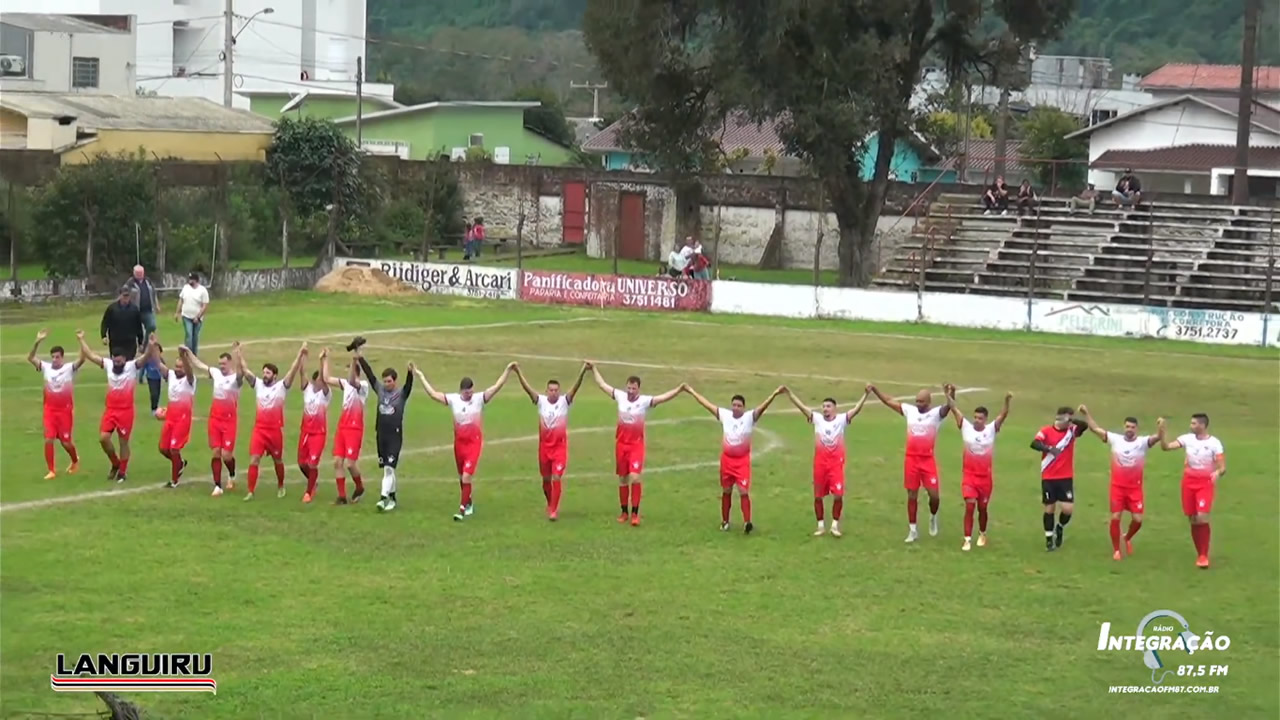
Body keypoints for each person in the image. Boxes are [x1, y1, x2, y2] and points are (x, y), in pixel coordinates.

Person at [415, 362, 516, 522]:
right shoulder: (454, 400)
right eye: (467, 392)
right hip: (459, 445)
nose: (470, 395)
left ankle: (461, 510)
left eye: (472, 391)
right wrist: (420, 376)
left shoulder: (479, 399)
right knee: (462, 477)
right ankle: (468, 502)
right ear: (461, 391)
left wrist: (507, 370)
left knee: (466, 477)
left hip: (473, 444)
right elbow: (434, 394)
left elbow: (497, 386)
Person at [587, 363, 683, 526]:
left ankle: (635, 514)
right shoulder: (620, 396)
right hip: (621, 445)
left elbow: (663, 397)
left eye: (634, 389)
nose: (631, 391)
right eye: (629, 388)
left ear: (639, 389)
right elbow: (602, 385)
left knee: (635, 477)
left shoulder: (645, 401)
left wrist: (679, 390)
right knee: (623, 479)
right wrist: (594, 368)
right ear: (626, 387)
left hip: (636, 446)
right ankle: (624, 512)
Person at [683, 383, 785, 534]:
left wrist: (775, 394)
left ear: (744, 407)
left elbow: (763, 406)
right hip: (727, 461)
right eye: (734, 405)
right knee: (726, 491)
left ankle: (747, 522)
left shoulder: (750, 417)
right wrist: (692, 391)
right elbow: (707, 404)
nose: (736, 408)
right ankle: (725, 521)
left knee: (743, 491)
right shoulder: (725, 415)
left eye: (739, 405)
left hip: (742, 461)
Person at [867, 384, 952, 543]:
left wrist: (950, 393)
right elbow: (889, 401)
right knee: (912, 495)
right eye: (917, 401)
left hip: (927, 460)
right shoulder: (910, 410)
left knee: (934, 496)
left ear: (929, 402)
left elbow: (949, 406)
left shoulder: (936, 414)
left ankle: (933, 516)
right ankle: (913, 530)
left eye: (921, 402)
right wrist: (876, 390)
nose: (918, 404)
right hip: (911, 460)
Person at [782, 386, 870, 538]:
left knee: (838, 495)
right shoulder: (817, 419)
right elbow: (801, 406)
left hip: (836, 465)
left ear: (835, 408)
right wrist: (789, 394)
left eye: (828, 406)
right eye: (823, 406)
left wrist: (865, 395)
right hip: (820, 465)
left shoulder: (842, 420)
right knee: (818, 496)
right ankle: (820, 525)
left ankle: (835, 525)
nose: (825, 409)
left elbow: (856, 409)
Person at [1079, 407, 1164, 561]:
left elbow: (1158, 437)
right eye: (1127, 427)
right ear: (1124, 427)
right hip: (1117, 487)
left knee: (1138, 520)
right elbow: (1094, 429)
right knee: (1115, 517)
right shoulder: (1115, 439)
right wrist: (1086, 414)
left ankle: (1127, 537)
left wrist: (1161, 427)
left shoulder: (1142, 442)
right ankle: (1117, 550)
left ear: (1137, 429)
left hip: (1135, 489)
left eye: (1132, 427)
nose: (1129, 429)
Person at [513, 362, 588, 521]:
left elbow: (576, 387)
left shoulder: (564, 402)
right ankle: (550, 502)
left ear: (559, 391)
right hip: (544, 449)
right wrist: (518, 372)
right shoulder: (540, 401)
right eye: (551, 390)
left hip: (559, 448)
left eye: (556, 390)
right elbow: (528, 390)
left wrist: (582, 371)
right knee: (546, 480)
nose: (553, 393)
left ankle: (554, 510)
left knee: (556, 477)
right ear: (546, 391)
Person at [75, 330, 147, 484]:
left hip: (126, 411)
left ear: (125, 360)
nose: (117, 364)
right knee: (103, 438)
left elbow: (145, 359)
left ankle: (122, 471)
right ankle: (115, 462)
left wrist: (152, 346)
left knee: (123, 442)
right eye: (115, 361)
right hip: (111, 410)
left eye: (120, 362)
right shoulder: (108, 365)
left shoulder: (132, 366)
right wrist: (81, 340)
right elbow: (91, 356)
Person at [945, 385, 1011, 552]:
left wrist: (1006, 401)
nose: (976, 420)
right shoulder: (965, 427)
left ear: (986, 419)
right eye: (975, 417)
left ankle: (982, 533)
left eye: (980, 418)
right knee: (970, 505)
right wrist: (948, 395)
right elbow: (954, 408)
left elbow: (1003, 415)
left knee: (982, 508)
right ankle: (967, 539)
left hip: (985, 479)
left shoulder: (991, 430)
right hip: (969, 477)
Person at [238, 343, 306, 502]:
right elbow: (245, 371)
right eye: (264, 372)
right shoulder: (258, 385)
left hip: (274, 431)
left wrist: (300, 353)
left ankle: (281, 485)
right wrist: (239, 354)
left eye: (268, 373)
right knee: (254, 459)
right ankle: (250, 491)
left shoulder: (282, 387)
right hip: (259, 430)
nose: (264, 375)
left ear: (275, 375)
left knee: (278, 460)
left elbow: (292, 371)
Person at [1160, 413, 1225, 569]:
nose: (1191, 425)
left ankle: (1204, 555)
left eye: (1194, 423)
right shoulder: (1187, 439)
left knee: (1202, 516)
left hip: (1205, 483)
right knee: (1193, 519)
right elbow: (1166, 447)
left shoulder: (1215, 443)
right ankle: (1200, 553)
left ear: (1202, 425)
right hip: (1188, 483)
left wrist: (1217, 472)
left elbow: (1222, 467)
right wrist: (1162, 433)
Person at [179, 344, 244, 496]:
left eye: (224, 364)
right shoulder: (215, 373)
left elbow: (241, 374)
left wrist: (239, 356)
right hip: (215, 419)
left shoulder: (235, 379)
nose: (221, 366)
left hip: (229, 421)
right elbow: (199, 365)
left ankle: (232, 474)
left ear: (230, 363)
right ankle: (217, 486)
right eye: (220, 363)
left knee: (226, 455)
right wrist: (188, 352)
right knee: (216, 452)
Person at [355, 352, 415, 513]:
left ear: (395, 381)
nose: (386, 384)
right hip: (381, 435)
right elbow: (370, 375)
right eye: (385, 381)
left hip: (394, 436)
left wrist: (410, 372)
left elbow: (409, 386)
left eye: (389, 381)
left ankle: (383, 498)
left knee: (389, 468)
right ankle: (393, 499)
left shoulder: (401, 394)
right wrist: (360, 357)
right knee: (388, 468)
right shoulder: (380, 390)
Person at [1030, 406, 1090, 552]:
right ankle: (1049, 539)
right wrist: (1049, 449)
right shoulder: (1046, 431)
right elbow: (1034, 443)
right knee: (1049, 508)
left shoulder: (1071, 432)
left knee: (1067, 509)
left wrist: (1072, 420)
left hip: (1065, 477)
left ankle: (1060, 527)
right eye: (1067, 418)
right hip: (1049, 476)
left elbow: (1084, 426)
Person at [321, 339, 371, 505]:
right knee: (337, 461)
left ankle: (359, 487)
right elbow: (326, 378)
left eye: (349, 369)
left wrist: (355, 358)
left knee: (350, 463)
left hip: (354, 428)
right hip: (342, 426)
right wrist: (325, 359)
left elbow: (351, 381)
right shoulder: (346, 383)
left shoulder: (362, 386)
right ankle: (341, 497)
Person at [28, 329, 83, 479]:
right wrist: (37, 341)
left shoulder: (69, 368)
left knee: (66, 443)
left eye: (57, 357)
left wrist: (81, 341)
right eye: (52, 357)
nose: (54, 360)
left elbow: (82, 359)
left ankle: (75, 460)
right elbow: (30, 357)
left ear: (62, 358)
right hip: (50, 411)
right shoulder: (45, 367)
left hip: (65, 411)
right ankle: (51, 470)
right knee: (48, 439)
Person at [147, 336, 195, 488]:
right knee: (163, 449)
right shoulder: (171, 375)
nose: (178, 369)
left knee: (174, 449)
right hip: (170, 418)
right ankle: (180, 464)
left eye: (180, 367)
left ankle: (174, 481)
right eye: (177, 366)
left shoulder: (190, 380)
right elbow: (157, 362)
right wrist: (153, 346)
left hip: (182, 419)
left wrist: (183, 357)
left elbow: (189, 370)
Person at [297, 348, 333, 504]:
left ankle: (309, 491)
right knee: (302, 463)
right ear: (314, 381)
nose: (322, 382)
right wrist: (303, 355)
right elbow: (301, 372)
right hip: (305, 432)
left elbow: (324, 378)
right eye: (319, 380)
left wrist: (322, 360)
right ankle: (314, 482)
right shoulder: (308, 390)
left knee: (312, 463)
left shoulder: (325, 394)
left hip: (318, 434)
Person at [100, 285, 146, 360]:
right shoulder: (112, 308)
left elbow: (138, 326)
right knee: (117, 363)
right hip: (116, 341)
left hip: (130, 342)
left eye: (127, 296)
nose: (126, 298)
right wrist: (103, 336)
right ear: (120, 296)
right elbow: (105, 322)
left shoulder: (134, 309)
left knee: (129, 363)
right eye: (124, 296)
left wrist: (140, 342)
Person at [176, 272, 210, 355]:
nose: (189, 281)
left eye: (191, 279)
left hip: (197, 318)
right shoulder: (185, 288)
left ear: (196, 280)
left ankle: (194, 355)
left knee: (195, 337)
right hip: (186, 316)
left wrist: (198, 317)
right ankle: (188, 354)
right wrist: (177, 312)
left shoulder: (202, 290)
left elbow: (205, 305)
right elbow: (181, 300)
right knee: (189, 335)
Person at [126, 265, 159, 337]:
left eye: (141, 273)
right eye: (138, 273)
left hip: (148, 310)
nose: (140, 275)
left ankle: (145, 343)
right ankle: (138, 344)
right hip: (135, 311)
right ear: (134, 273)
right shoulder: (130, 283)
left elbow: (154, 293)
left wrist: (157, 305)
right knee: (135, 330)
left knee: (152, 326)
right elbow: (125, 294)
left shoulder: (148, 281)